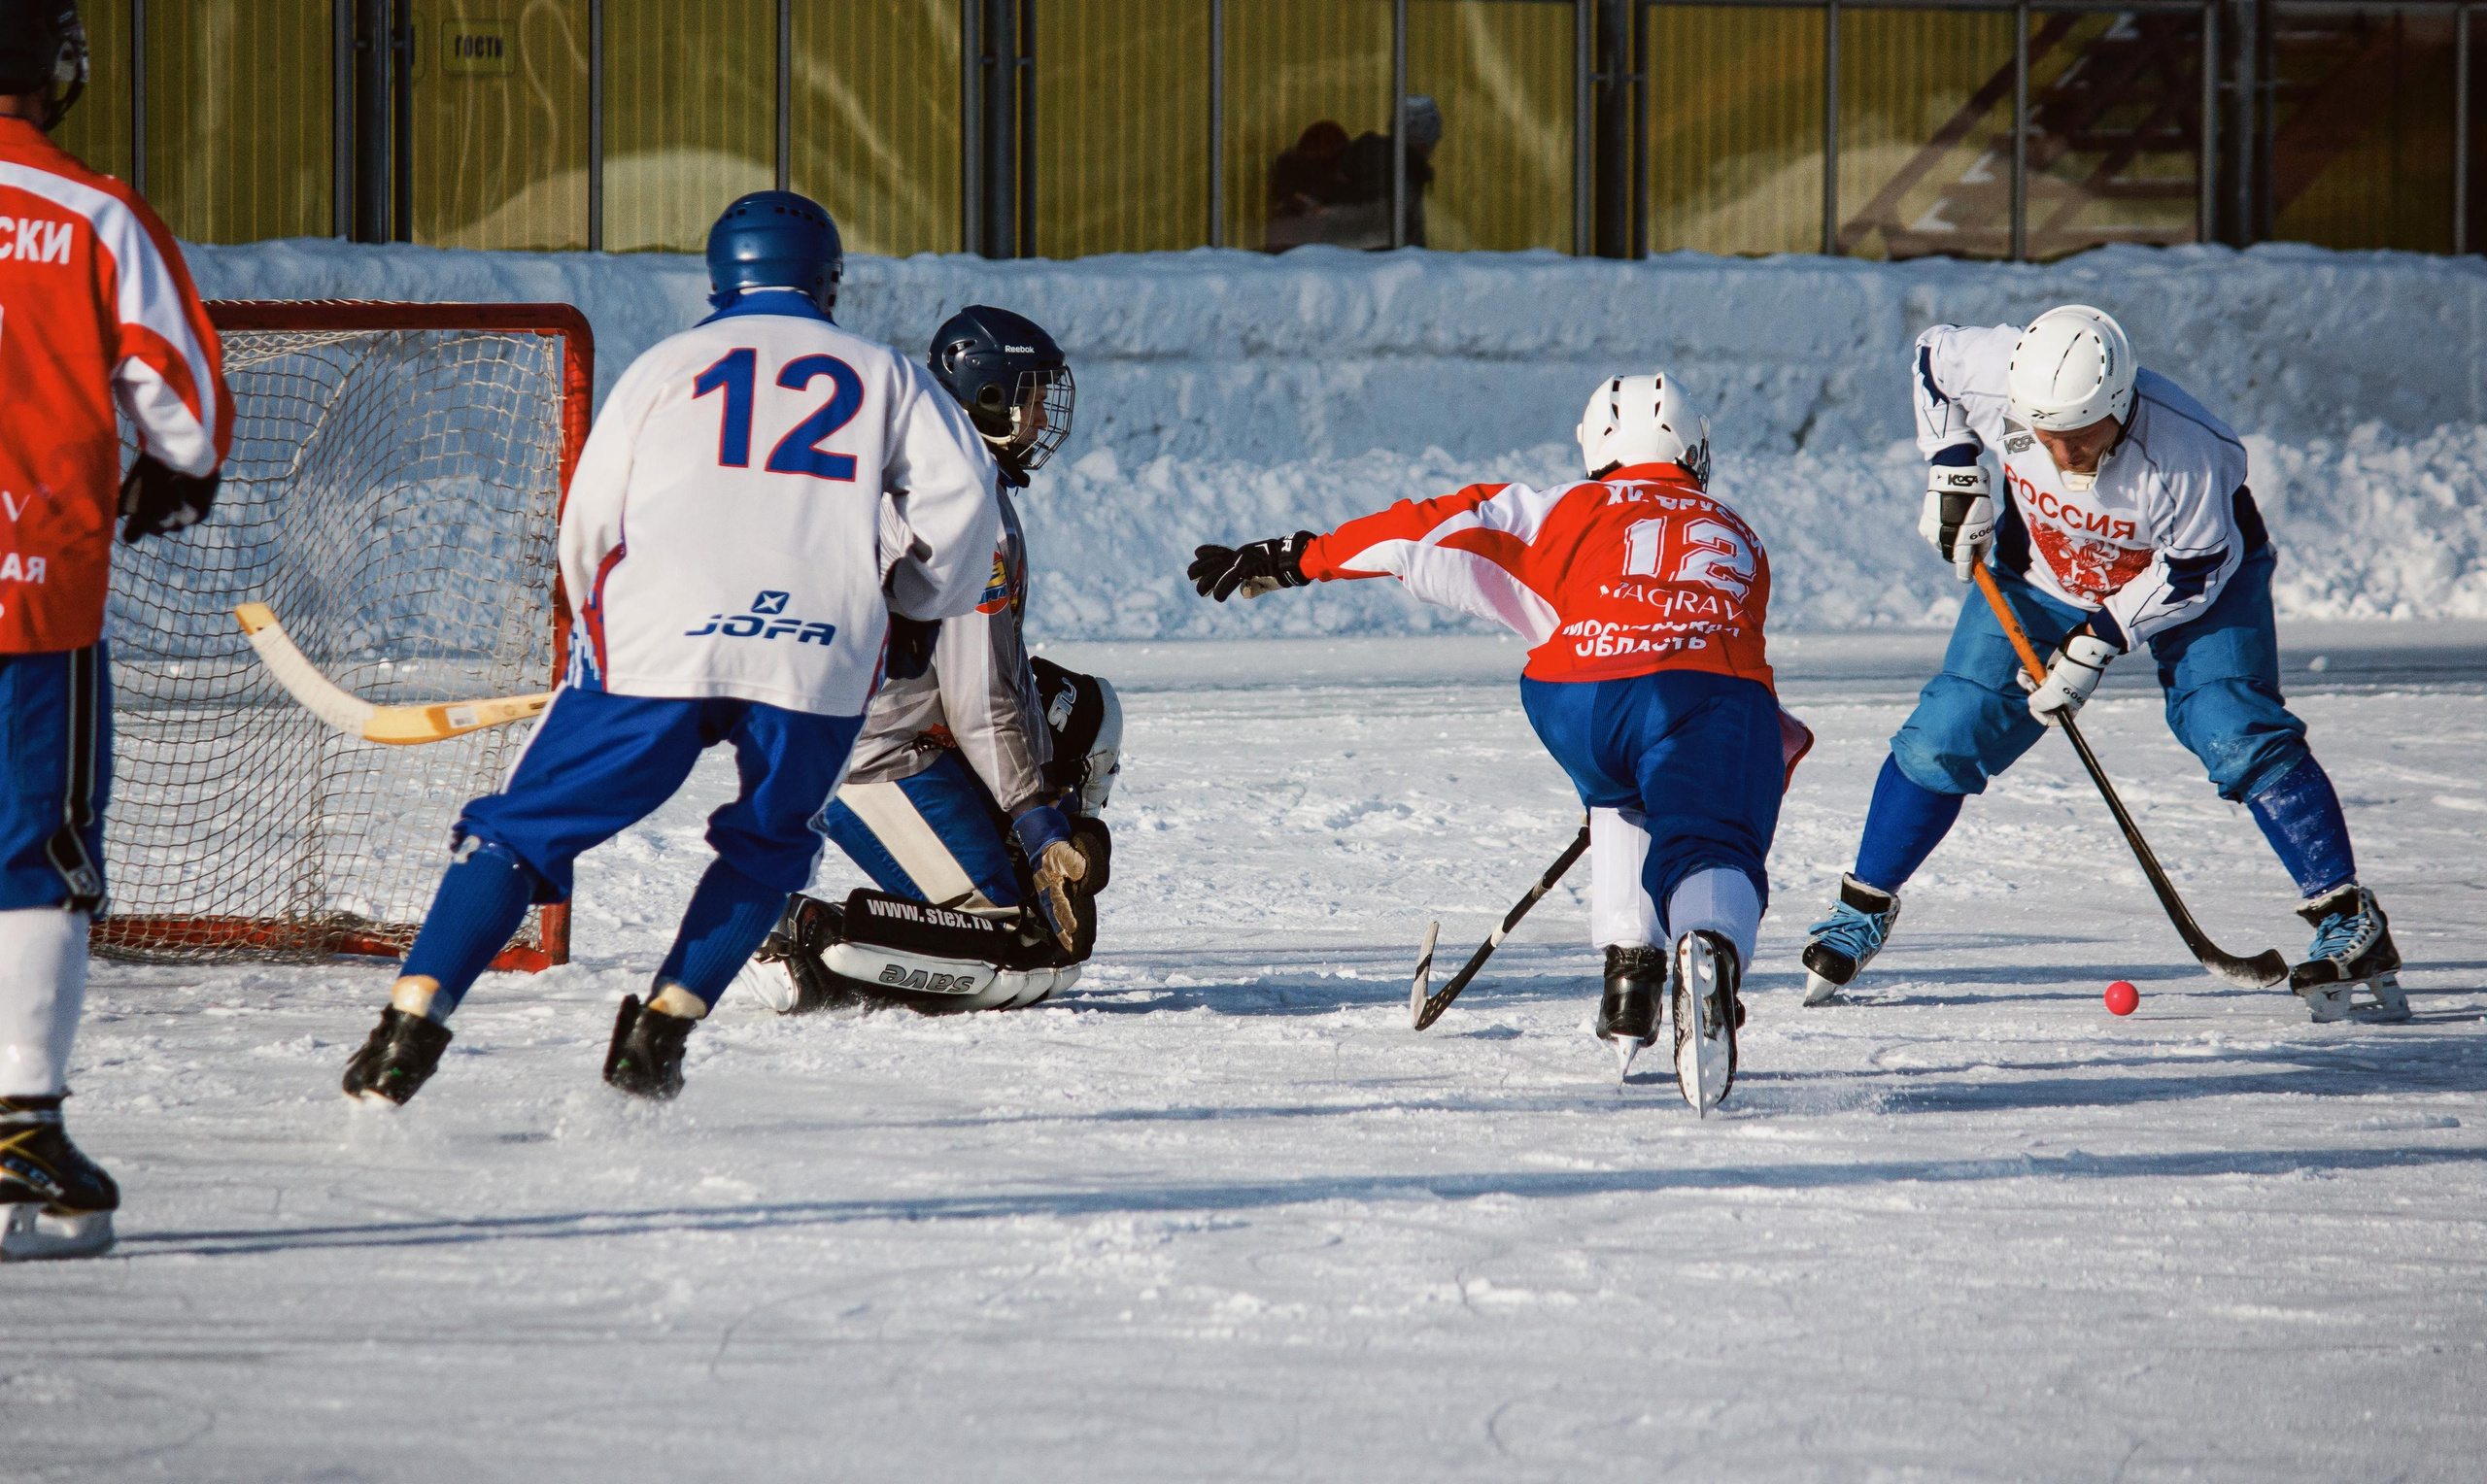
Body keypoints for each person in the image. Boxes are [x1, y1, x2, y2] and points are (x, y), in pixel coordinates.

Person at [336, 190, 1002, 1107]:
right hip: (817, 648)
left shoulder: (670, 362)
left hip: (657, 642)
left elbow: (590, 522)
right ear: (828, 281)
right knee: (770, 845)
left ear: (722, 277)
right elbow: (963, 509)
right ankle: (664, 1028)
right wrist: (918, 609)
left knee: (523, 832)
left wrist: (595, 639)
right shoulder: (886, 372)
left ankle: (411, 1019)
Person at [1187, 373, 1811, 1113]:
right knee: (1710, 835)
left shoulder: (1558, 507)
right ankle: (1705, 941)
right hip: (1700, 693)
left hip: (1576, 700)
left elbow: (1423, 529)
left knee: (1623, 790)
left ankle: (1629, 981)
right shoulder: (1737, 531)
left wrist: (1297, 557)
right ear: (1692, 448)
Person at [1799, 306, 2403, 1023]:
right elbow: (1933, 360)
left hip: (2201, 579)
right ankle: (1860, 909)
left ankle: (2345, 912)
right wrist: (1953, 471)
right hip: (2043, 578)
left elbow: (2194, 570)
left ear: (2119, 406)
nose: (2062, 455)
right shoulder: (2001, 373)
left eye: (2082, 439)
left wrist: (2095, 642)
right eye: (2046, 437)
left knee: (2230, 723)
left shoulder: (2186, 451)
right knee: (1947, 730)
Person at [0, 0, 231, 1260]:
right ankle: (21, 1121)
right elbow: (183, 406)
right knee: (34, 849)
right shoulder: (92, 212)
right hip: (30, 587)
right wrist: (174, 471)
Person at [741, 306, 1120, 1017]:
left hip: (859, 730)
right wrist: (1037, 827)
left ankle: (1036, 857)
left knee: (1081, 710)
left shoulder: (919, 465)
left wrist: (1055, 811)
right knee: (1006, 947)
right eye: (1032, 397)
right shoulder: (965, 502)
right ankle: (807, 935)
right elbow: (982, 698)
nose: (1042, 419)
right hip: (870, 755)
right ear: (989, 396)